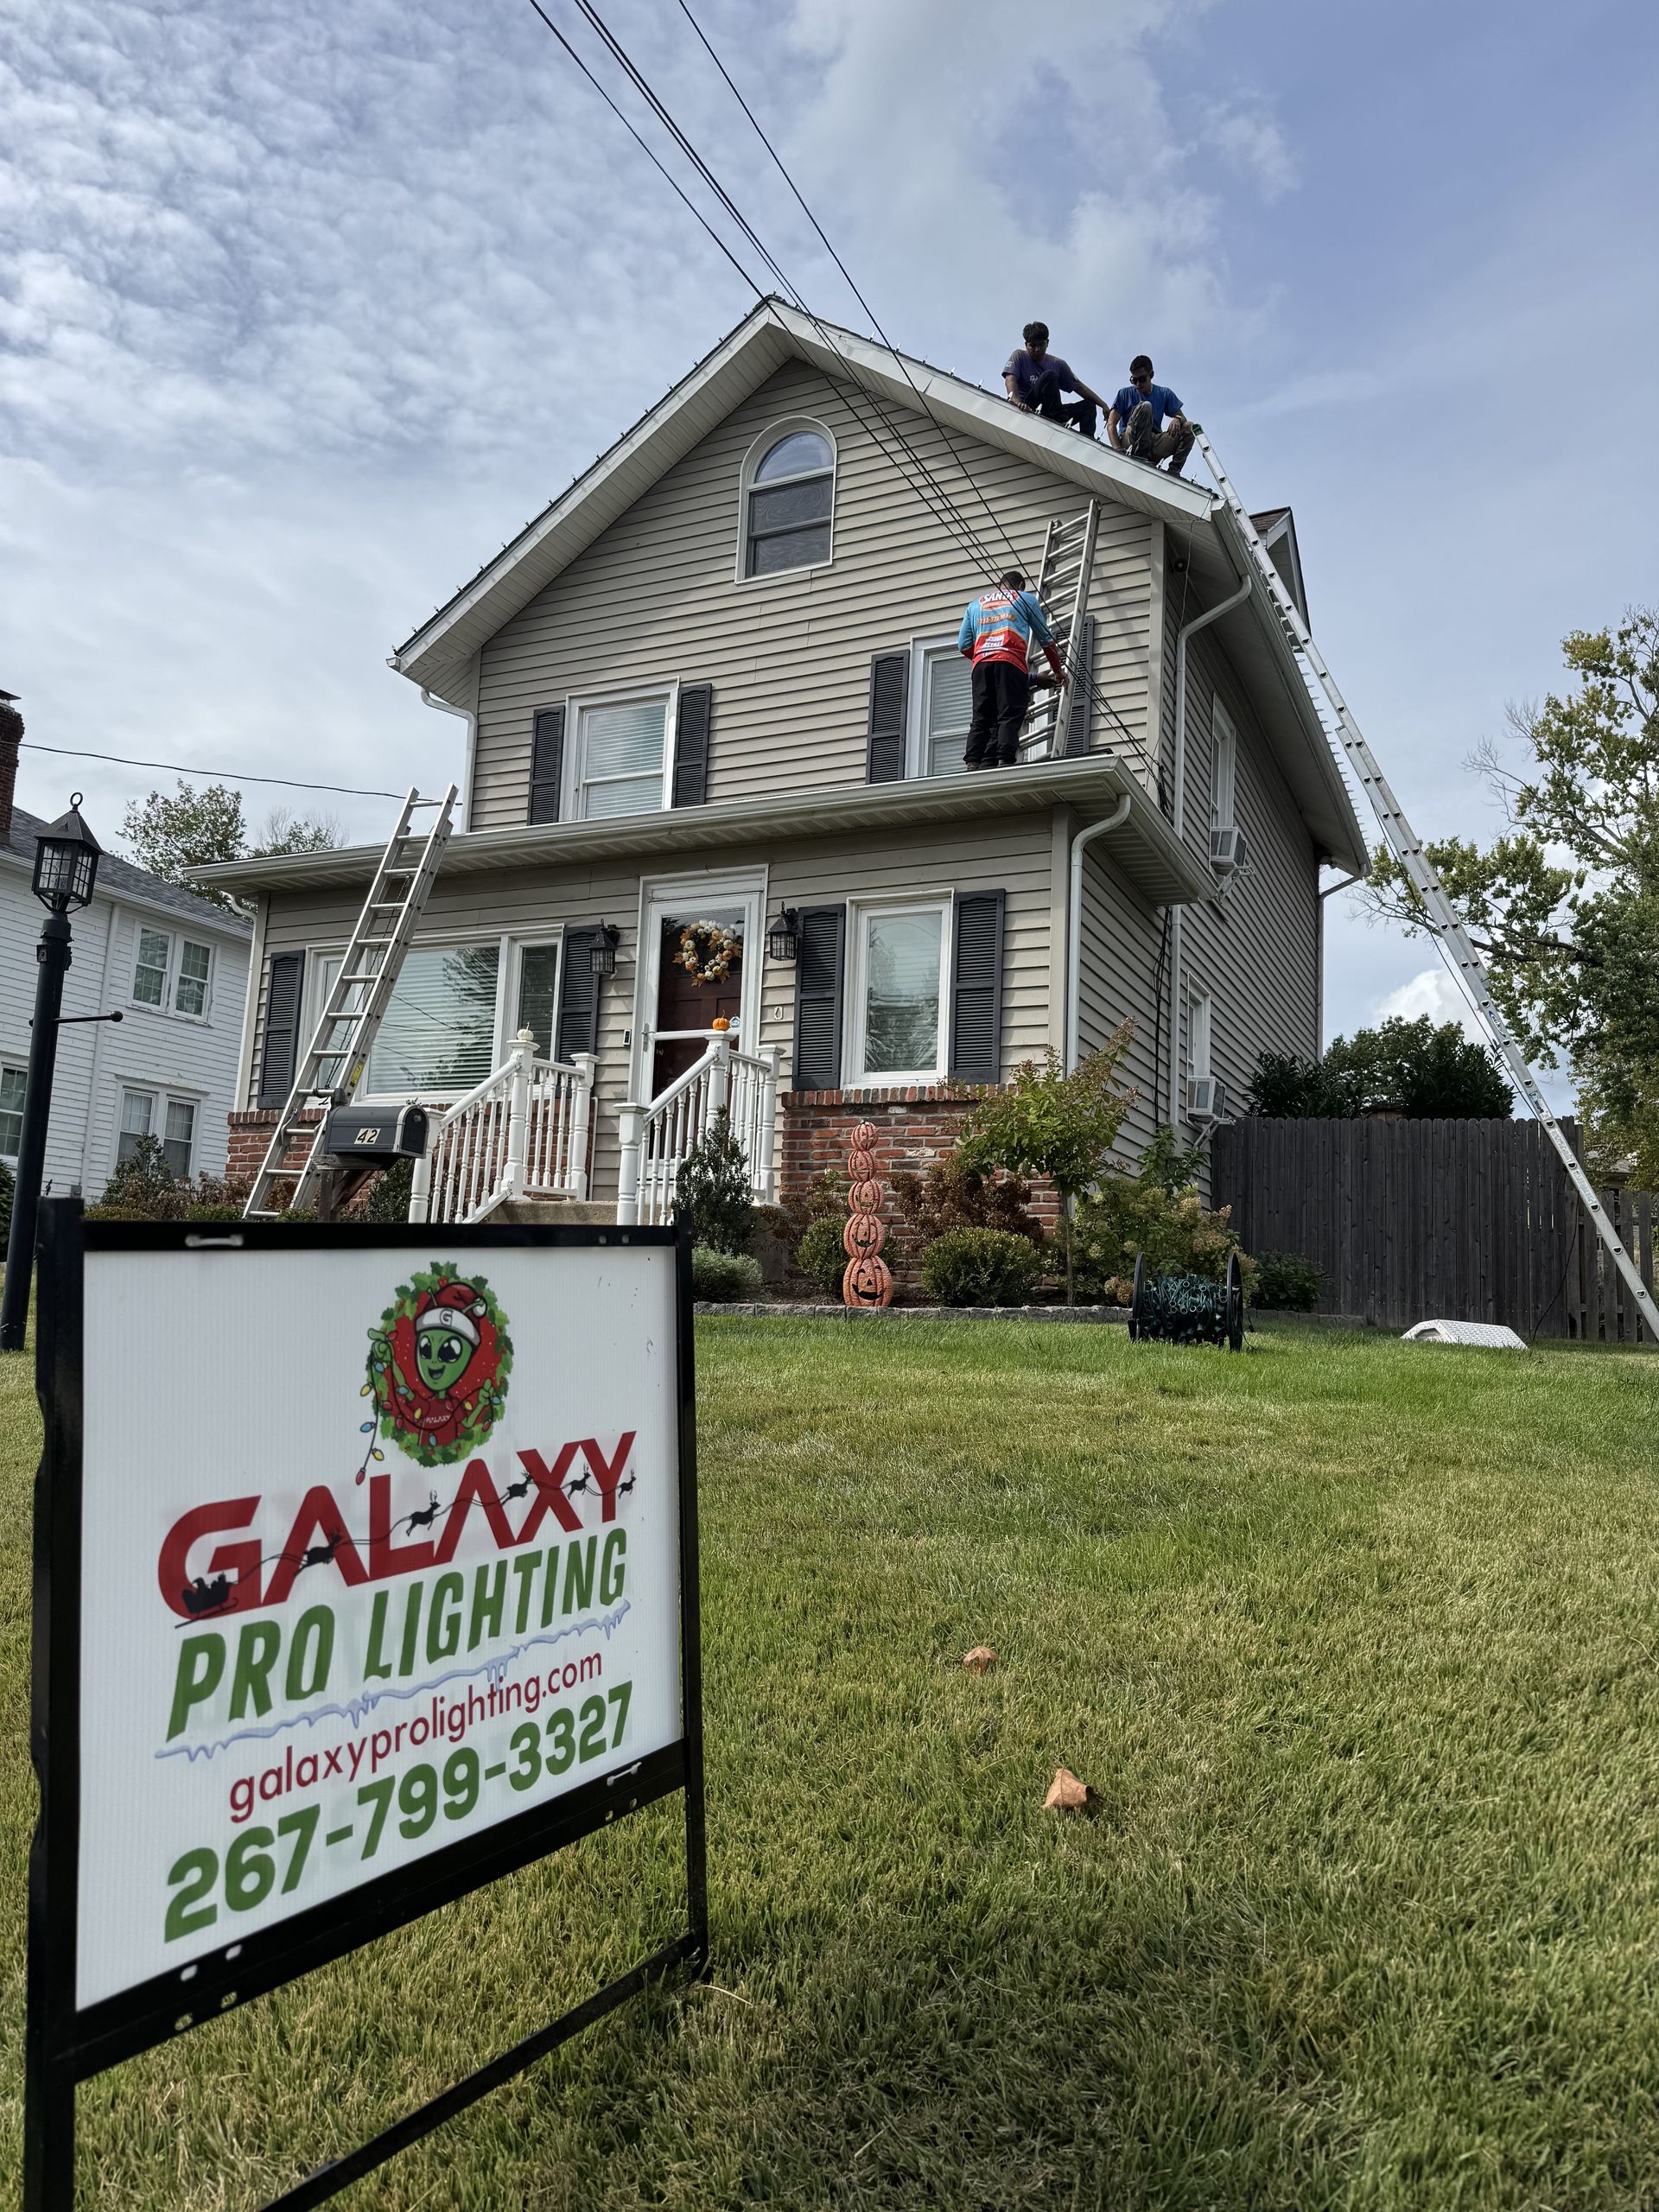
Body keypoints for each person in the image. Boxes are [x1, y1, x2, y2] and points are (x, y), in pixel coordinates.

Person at [957, 571, 1066, 770]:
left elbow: (963, 645)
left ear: (1001, 585)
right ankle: (1005, 760)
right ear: (1021, 585)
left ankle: (973, 762)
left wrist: (984, 655)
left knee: (981, 717)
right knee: (1010, 712)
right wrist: (1058, 670)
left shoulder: (975, 604)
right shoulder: (1025, 599)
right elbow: (1046, 640)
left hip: (981, 665)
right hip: (1010, 661)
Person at [1002, 323, 1108, 440]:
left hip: (1052, 411)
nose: (1037, 349)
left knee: (1089, 405)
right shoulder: (1019, 356)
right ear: (1026, 345)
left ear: (1047, 343)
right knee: (1049, 375)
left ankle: (1087, 441)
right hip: (1029, 407)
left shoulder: (1058, 364)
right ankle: (1060, 421)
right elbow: (1010, 379)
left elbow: (1079, 387)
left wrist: (1103, 405)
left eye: (1041, 345)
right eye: (1033, 346)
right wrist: (1017, 402)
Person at [1107, 355, 1195, 477]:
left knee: (1190, 427)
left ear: (1151, 375)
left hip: (1153, 444)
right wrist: (1117, 450)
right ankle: (1140, 456)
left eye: (1142, 379)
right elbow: (1111, 424)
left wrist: (1177, 419)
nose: (1138, 384)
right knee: (1146, 406)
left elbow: (1183, 418)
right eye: (1134, 380)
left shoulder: (1164, 393)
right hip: (1130, 441)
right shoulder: (1124, 393)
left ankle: (1174, 471)